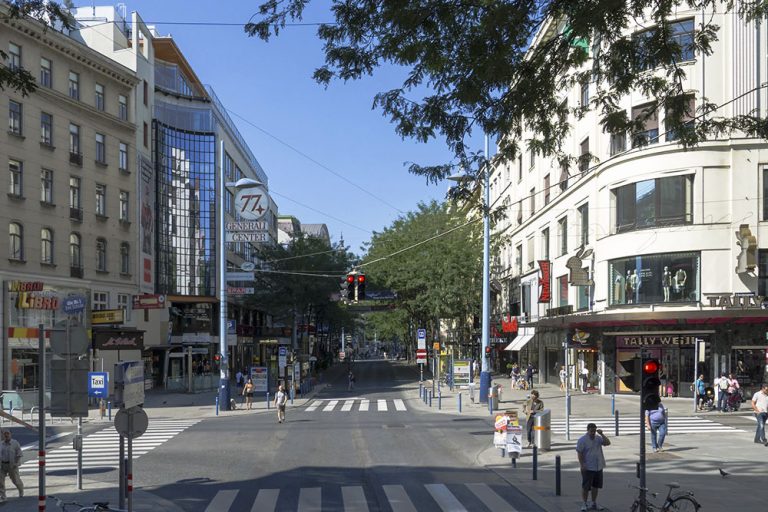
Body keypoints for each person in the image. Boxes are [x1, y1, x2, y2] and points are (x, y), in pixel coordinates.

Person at [576, 423, 610, 512]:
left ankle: (594, 502)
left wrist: (602, 434)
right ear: (588, 430)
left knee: (596, 486)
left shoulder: (598, 438)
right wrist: (582, 464)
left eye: (594, 431)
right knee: (586, 486)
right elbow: (579, 453)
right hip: (588, 467)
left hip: (598, 466)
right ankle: (584, 503)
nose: (593, 433)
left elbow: (607, 443)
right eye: (591, 431)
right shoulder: (582, 440)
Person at [0, 430, 23, 500]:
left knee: (15, 480)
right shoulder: (1, 444)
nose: (6, 435)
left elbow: (19, 454)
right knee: (0, 481)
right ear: (3, 435)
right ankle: (3, 495)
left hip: (12, 465)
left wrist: (16, 463)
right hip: (2, 465)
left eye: (8, 434)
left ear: (10, 434)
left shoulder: (15, 443)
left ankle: (21, 490)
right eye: (4, 434)